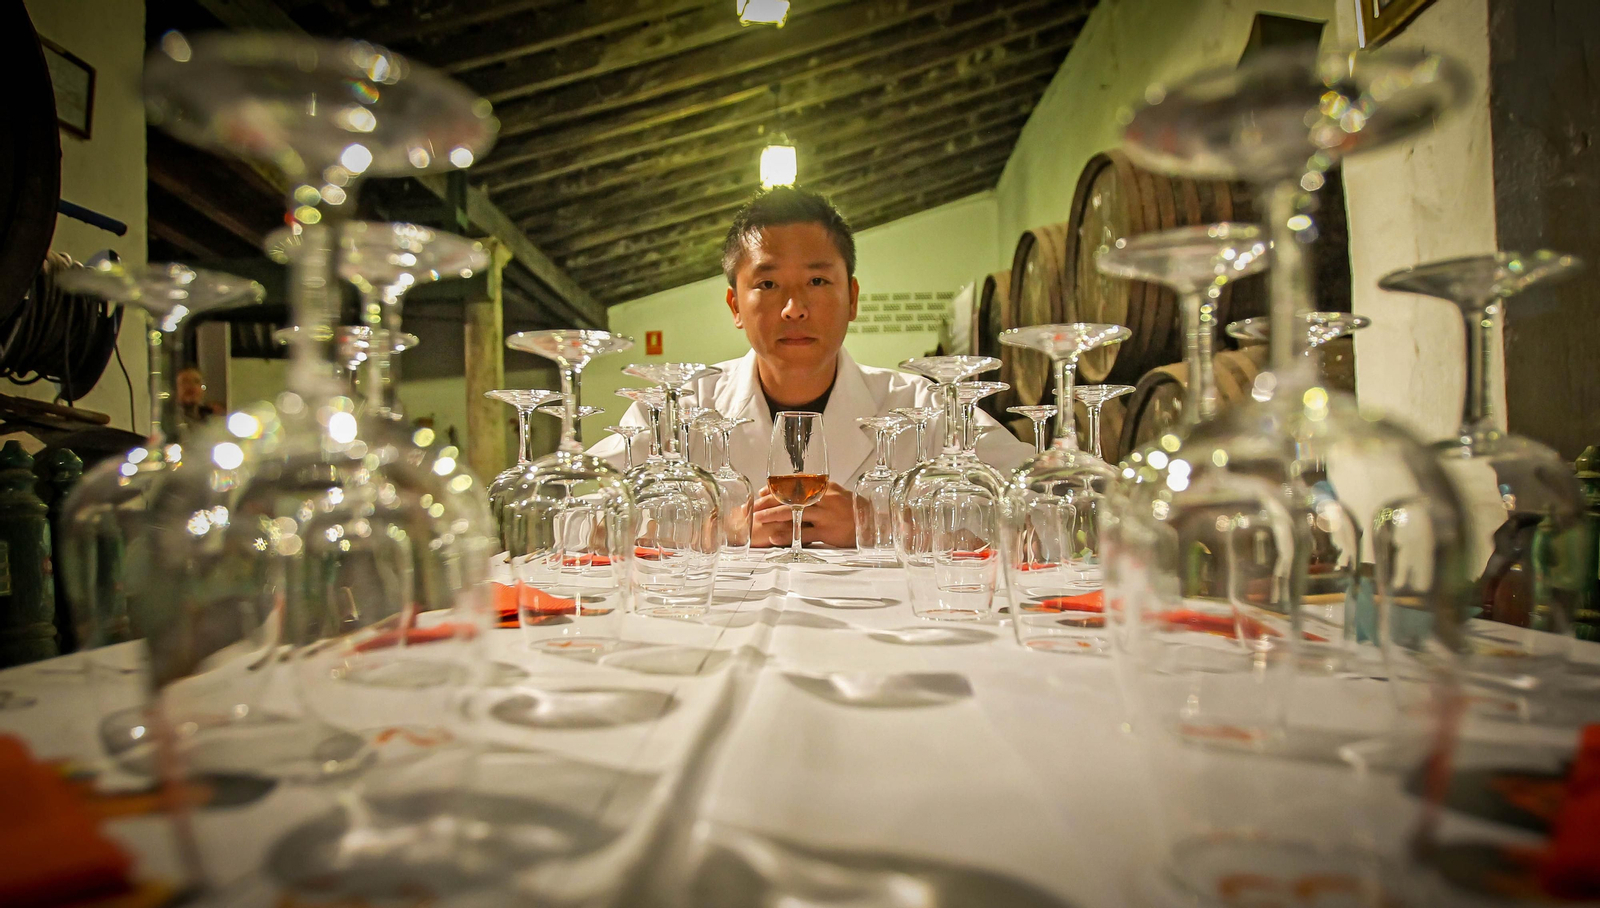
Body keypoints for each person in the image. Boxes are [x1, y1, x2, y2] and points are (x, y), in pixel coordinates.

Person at [587, 186, 1032, 548]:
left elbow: (1036, 501)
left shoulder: (926, 404)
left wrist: (879, 525)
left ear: (852, 298)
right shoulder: (676, 406)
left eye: (818, 281)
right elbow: (581, 510)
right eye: (767, 283)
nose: (794, 309)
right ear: (735, 305)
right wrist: (721, 530)